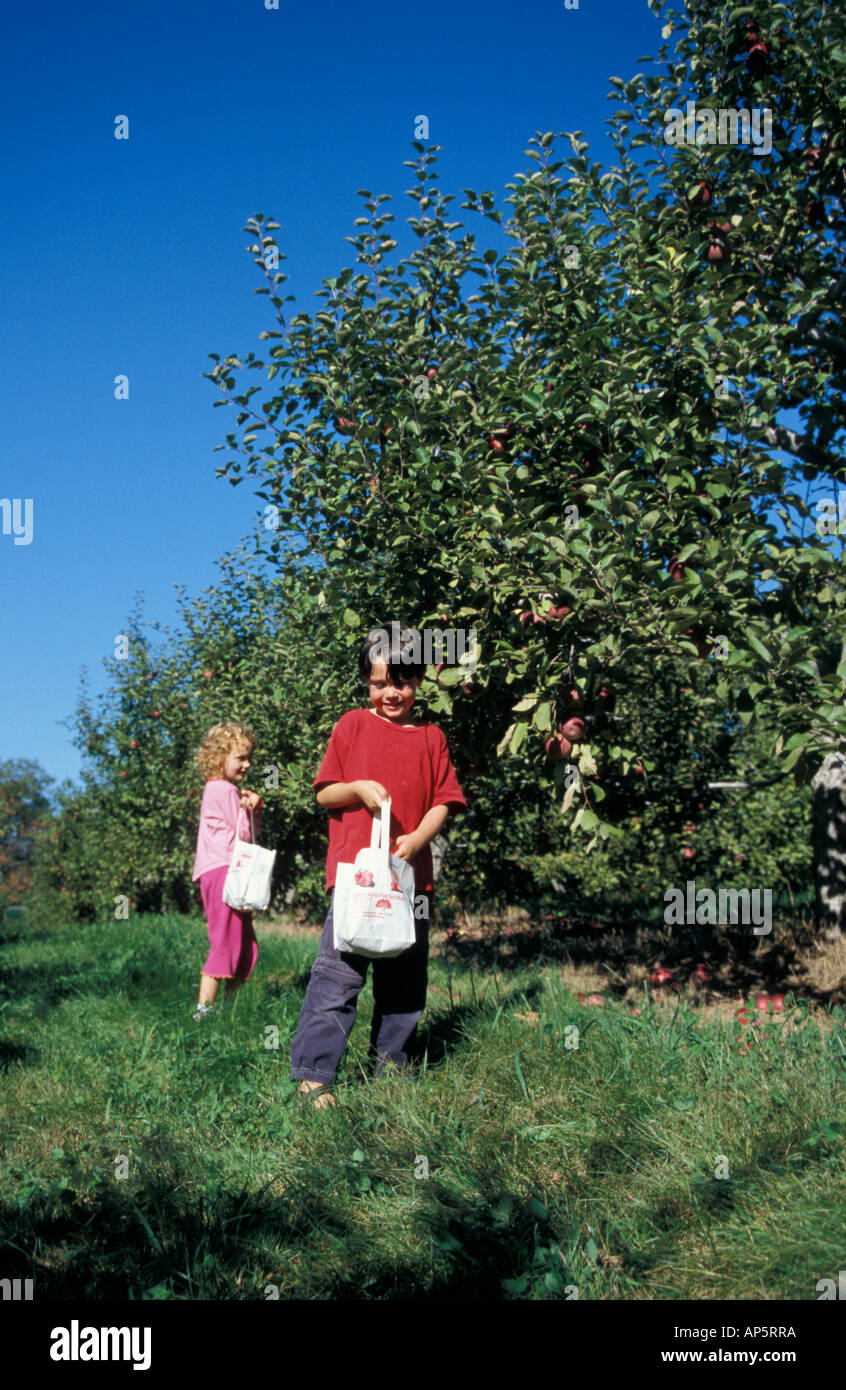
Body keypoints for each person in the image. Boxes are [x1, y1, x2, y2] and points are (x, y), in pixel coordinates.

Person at [290, 623, 467, 1108]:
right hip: (357, 878)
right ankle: (314, 1077)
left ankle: (391, 1074)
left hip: (410, 883)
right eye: (380, 682)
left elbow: (445, 802)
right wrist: (359, 788)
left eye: (403, 682)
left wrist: (417, 840)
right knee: (338, 975)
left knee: (405, 983)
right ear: (367, 682)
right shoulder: (352, 725)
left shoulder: (432, 738)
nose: (392, 692)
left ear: (420, 681)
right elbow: (326, 792)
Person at [191, 722, 263, 1020]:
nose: (247, 764)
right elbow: (244, 837)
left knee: (239, 940)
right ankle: (205, 1011)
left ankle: (228, 1012)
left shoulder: (218, 790)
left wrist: (249, 808)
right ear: (219, 757)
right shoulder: (222, 789)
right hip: (225, 871)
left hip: (220, 871)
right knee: (227, 940)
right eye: (240, 758)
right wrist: (253, 808)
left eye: (249, 758)